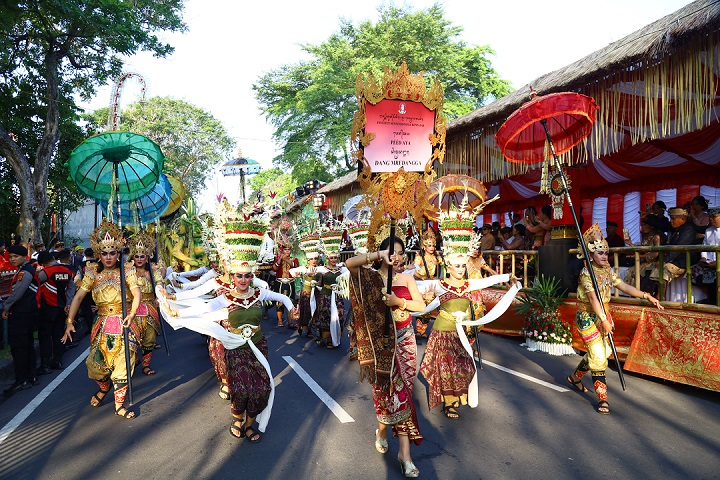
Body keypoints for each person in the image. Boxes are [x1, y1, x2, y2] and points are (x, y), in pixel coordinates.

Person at [163, 208, 298, 442]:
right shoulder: (225, 296)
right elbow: (203, 307)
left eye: (247, 276)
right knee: (241, 389)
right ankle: (238, 419)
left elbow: (282, 296)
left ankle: (249, 423)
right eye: (239, 276)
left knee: (262, 388)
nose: (243, 280)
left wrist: (291, 308)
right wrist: (174, 302)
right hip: (234, 346)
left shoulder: (260, 293)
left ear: (251, 276)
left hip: (258, 345)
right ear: (232, 276)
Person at [346, 236, 426, 478]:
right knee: (386, 393)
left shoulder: (407, 278)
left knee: (403, 395)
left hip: (405, 342)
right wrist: (377, 257)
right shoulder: (370, 277)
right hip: (381, 346)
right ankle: (385, 434)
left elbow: (420, 306)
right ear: (381, 254)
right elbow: (350, 263)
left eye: (400, 252)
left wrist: (398, 301)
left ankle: (404, 453)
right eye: (391, 252)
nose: (397, 256)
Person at [567, 223, 663, 414]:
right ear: (591, 255)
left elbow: (624, 287)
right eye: (600, 253)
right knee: (599, 356)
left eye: (605, 253)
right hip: (588, 317)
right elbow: (593, 299)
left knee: (601, 353)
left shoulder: (608, 271)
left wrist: (646, 296)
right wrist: (602, 319)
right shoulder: (587, 274)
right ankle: (603, 399)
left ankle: (574, 377)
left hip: (604, 317)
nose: (604, 256)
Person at [62, 219, 142, 419]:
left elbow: (136, 292)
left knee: (123, 364)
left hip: (124, 322)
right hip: (102, 324)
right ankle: (104, 388)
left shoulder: (127, 270)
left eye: (112, 252)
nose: (108, 257)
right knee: (96, 366)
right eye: (104, 253)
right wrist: (69, 322)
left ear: (118, 253)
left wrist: (131, 314)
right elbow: (79, 296)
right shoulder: (92, 273)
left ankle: (119, 405)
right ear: (98, 254)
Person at [2, 244, 40, 396]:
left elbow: (17, 293)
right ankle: (31, 376)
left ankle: (22, 380)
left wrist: (6, 306)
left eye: (16, 256)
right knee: (27, 345)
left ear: (24, 257)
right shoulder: (27, 269)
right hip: (28, 313)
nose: (12, 259)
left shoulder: (24, 273)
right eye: (11, 257)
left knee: (19, 348)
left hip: (21, 314)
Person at [128, 231, 163, 376]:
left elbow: (160, 283)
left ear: (147, 256)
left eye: (143, 256)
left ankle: (146, 365)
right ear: (133, 257)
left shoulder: (153, 270)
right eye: (137, 256)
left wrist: (159, 295)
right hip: (133, 309)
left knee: (149, 338)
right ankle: (134, 359)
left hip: (149, 307)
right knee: (132, 338)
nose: (140, 259)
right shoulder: (127, 272)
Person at [35, 251, 75, 373]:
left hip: (48, 307)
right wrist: (69, 304)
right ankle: (57, 360)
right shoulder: (67, 271)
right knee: (58, 334)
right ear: (53, 258)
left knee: (45, 336)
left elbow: (35, 285)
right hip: (62, 307)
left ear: (42, 263)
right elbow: (71, 288)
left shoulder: (45, 272)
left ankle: (45, 365)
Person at [313, 227, 348, 349]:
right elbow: (315, 278)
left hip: (337, 296)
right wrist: (313, 281)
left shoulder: (342, 269)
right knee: (325, 316)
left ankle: (336, 337)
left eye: (335, 257)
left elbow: (351, 275)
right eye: (331, 257)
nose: (334, 260)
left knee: (339, 315)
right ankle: (327, 338)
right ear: (327, 258)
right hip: (325, 296)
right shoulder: (322, 269)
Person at [289, 233, 322, 338]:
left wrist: (317, 284)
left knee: (316, 311)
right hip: (306, 293)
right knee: (306, 311)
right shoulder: (305, 268)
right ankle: (304, 328)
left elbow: (321, 281)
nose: (313, 261)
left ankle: (312, 328)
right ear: (308, 260)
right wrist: (297, 274)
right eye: (311, 259)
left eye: (315, 259)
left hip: (316, 293)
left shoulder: (320, 269)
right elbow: (292, 271)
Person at [653, 207, 697, 284]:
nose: (670, 221)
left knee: (664, 269)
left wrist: (664, 260)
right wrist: (647, 217)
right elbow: (660, 225)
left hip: (683, 262)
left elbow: (678, 248)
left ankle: (660, 295)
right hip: (673, 259)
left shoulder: (689, 229)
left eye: (673, 219)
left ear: (682, 219)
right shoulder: (672, 227)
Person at [413, 229, 443, 339]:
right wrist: (422, 277)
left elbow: (445, 262)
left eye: (433, 245)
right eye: (429, 245)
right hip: (421, 284)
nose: (432, 248)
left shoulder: (435, 257)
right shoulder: (419, 257)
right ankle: (419, 330)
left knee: (429, 307)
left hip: (430, 284)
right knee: (421, 306)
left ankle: (423, 329)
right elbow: (414, 271)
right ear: (424, 246)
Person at [623, 216, 663, 295]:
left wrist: (641, 257)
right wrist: (630, 243)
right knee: (631, 272)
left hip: (653, 263)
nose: (643, 227)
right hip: (644, 263)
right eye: (643, 225)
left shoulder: (656, 236)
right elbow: (641, 250)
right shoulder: (645, 236)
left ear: (651, 226)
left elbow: (656, 253)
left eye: (645, 225)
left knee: (644, 274)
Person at [691, 207, 720, 305]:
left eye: (714, 217)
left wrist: (717, 263)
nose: (711, 219)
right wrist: (703, 258)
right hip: (708, 263)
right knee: (691, 271)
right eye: (710, 217)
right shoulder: (708, 231)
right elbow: (704, 247)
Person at [272, 235, 298, 328]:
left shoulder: (294, 259)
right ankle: (280, 320)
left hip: (290, 283)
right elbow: (274, 268)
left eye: (288, 250)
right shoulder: (277, 258)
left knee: (290, 302)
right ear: (282, 250)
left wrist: (286, 259)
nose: (287, 251)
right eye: (285, 249)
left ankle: (290, 322)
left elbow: (295, 266)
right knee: (279, 302)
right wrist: (280, 259)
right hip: (280, 283)